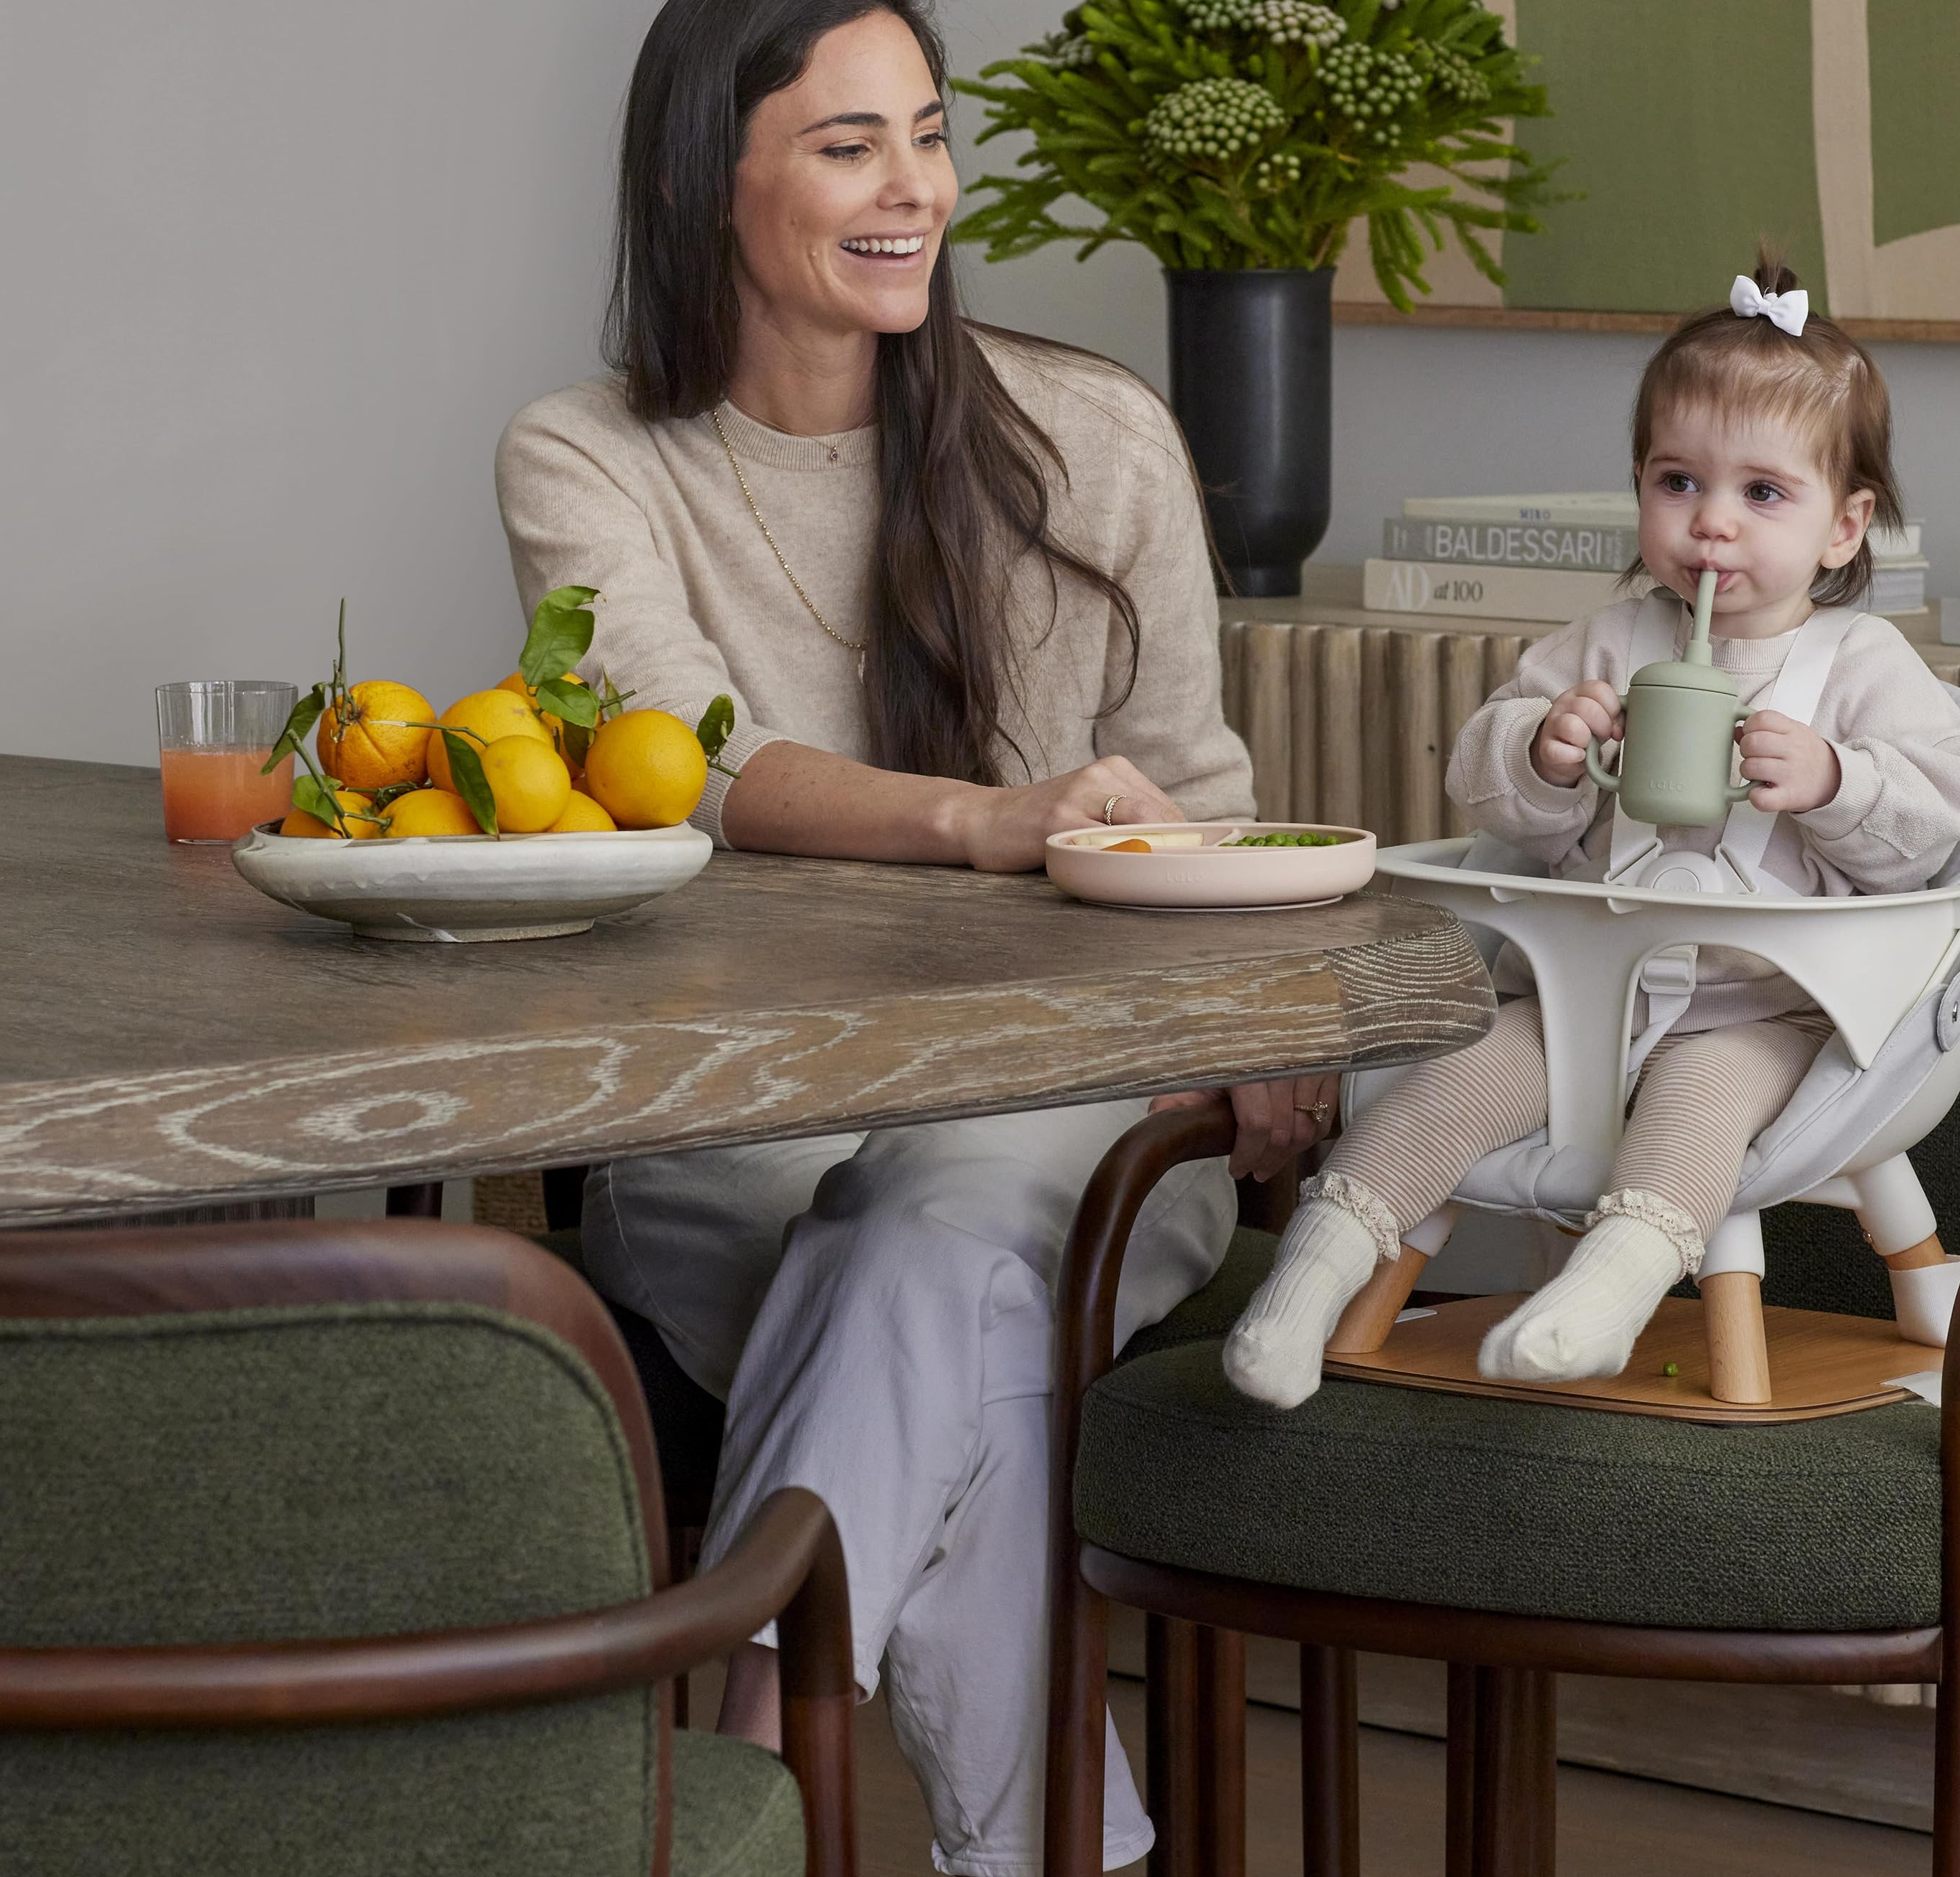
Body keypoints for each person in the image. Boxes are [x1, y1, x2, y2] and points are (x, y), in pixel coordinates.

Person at [492, 1, 1333, 1868]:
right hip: (743, 1134)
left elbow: (1203, 790)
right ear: (710, 176)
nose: (916, 190)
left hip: (1085, 1122)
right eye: (849, 143)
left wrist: (1274, 1020)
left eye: (929, 137)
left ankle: (725, 1788)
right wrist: (988, 823)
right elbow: (687, 761)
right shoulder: (587, 457)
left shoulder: (1095, 437)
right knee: (945, 1293)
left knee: (941, 1222)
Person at [1220, 253, 1960, 1407]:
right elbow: (1487, 799)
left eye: (1763, 496)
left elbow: (1951, 820)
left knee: (1702, 1103)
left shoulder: (1861, 665)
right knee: (1447, 1085)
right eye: (1678, 482)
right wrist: (1547, 749)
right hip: (1588, 994)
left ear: (1846, 527)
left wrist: (1837, 777)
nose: (1712, 527)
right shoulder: (1606, 640)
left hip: (1767, 1006)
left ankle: (1608, 1295)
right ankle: (1306, 1282)